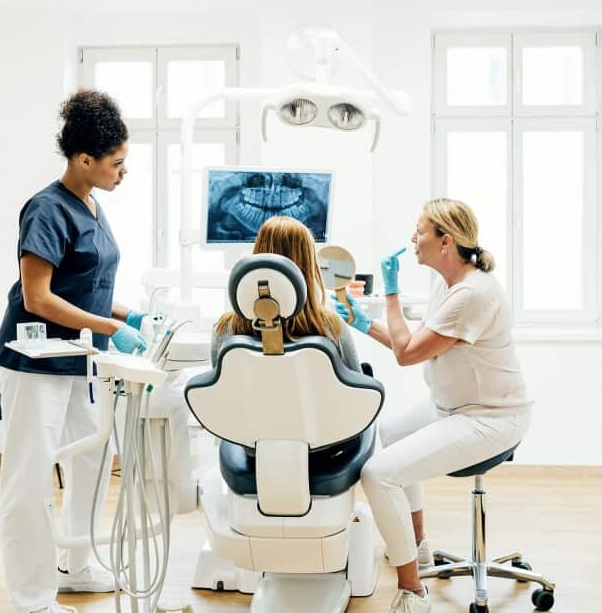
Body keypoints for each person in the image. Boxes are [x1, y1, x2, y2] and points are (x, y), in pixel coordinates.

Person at [0, 89, 150, 613]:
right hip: (33, 363)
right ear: (84, 159)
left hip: (81, 360)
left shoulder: (91, 204)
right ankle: (32, 598)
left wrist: (132, 317)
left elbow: (89, 282)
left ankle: (75, 565)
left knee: (93, 459)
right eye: (117, 163)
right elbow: (38, 297)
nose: (123, 172)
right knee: (29, 480)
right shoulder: (46, 209)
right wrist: (108, 325)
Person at [336, 199, 533, 613]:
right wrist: (365, 324)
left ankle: (413, 591)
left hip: (489, 418)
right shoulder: (446, 285)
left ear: (446, 241)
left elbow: (407, 355)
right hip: (453, 406)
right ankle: (418, 546)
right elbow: (420, 348)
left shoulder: (473, 294)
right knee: (386, 434)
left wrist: (389, 292)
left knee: (378, 474)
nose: (412, 238)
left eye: (420, 231)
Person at [210, 215, 361, 372]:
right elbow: (358, 391)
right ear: (309, 266)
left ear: (258, 254)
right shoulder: (332, 327)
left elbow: (218, 390)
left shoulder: (224, 328)